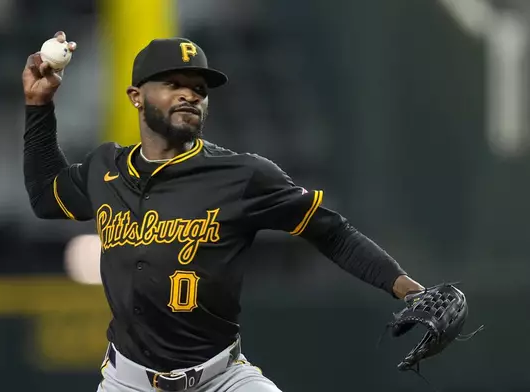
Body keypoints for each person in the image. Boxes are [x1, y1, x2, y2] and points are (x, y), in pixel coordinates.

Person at [22, 32, 425, 392]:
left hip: (222, 379)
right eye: (173, 83)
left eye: (199, 88)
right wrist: (38, 105)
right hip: (127, 382)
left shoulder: (243, 175)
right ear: (136, 97)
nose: (190, 94)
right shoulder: (104, 168)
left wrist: (412, 292)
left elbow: (332, 233)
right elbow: (45, 198)